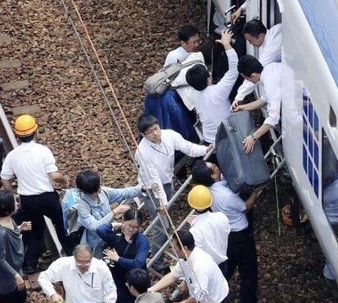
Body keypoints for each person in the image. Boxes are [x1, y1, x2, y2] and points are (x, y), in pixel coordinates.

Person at [190, 162, 264, 303]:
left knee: (226, 268)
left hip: (226, 235)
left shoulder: (208, 191)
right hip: (241, 236)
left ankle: (213, 292)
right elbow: (245, 207)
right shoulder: (226, 196)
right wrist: (256, 192)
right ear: (213, 175)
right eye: (213, 167)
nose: (217, 166)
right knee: (249, 273)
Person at [133, 116, 208, 268]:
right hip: (151, 189)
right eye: (149, 132)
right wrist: (163, 202)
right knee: (162, 226)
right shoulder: (142, 152)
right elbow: (154, 180)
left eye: (155, 128)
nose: (154, 133)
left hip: (167, 180)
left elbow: (188, 147)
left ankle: (156, 254)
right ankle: (157, 262)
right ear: (143, 135)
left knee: (164, 220)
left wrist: (207, 149)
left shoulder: (169, 135)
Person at [0, 114, 68, 274]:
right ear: (35, 132)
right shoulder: (43, 151)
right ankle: (70, 252)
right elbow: (54, 176)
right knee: (62, 225)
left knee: (36, 230)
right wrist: (65, 180)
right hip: (47, 197)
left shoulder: (13, 155)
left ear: (18, 135)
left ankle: (30, 265)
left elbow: (4, 178)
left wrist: (13, 195)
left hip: (28, 200)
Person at [98, 207, 149, 303]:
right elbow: (100, 229)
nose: (131, 229)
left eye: (135, 227)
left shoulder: (141, 240)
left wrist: (118, 258)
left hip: (136, 283)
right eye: (128, 225)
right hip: (119, 282)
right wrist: (115, 225)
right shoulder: (117, 236)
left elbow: (138, 263)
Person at [184, 28, 238, 142]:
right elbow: (234, 68)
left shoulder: (196, 99)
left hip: (209, 140)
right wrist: (227, 45)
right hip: (227, 138)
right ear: (208, 78)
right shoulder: (219, 91)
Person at [72, 169, 138, 258]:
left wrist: (141, 189)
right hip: (96, 245)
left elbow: (123, 193)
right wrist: (114, 212)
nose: (100, 187)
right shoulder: (82, 206)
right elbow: (95, 227)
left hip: (111, 237)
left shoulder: (103, 193)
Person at [233, 55, 288, 152]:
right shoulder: (271, 68)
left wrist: (253, 137)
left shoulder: (269, 83)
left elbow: (273, 118)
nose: (248, 81)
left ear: (253, 75)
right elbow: (264, 99)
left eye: (247, 78)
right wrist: (244, 107)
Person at [233, 20, 282, 104]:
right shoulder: (275, 30)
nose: (250, 44)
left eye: (251, 41)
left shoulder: (270, 51)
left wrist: (239, 96)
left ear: (261, 36)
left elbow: (254, 72)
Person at [186, 185, 231, 277]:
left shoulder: (194, 230)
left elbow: (195, 255)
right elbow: (226, 230)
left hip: (207, 270)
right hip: (223, 265)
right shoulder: (221, 217)